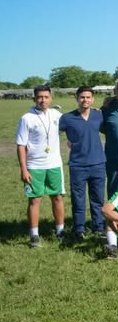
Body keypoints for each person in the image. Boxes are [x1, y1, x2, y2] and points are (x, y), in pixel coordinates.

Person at [16, 85, 66, 247]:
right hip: (34, 166)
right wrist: (24, 168)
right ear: (34, 99)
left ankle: (60, 231)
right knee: (34, 200)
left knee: (57, 197)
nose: (43, 100)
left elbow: (74, 121)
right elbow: (21, 145)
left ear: (51, 98)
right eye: (39, 97)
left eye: (46, 97)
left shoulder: (56, 115)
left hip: (54, 165)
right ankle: (34, 235)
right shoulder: (26, 118)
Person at [58, 86, 106, 241]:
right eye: (82, 97)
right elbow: (51, 131)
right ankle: (79, 228)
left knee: (97, 199)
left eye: (88, 97)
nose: (85, 100)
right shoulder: (67, 118)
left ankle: (98, 226)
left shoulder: (99, 115)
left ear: (93, 99)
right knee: (78, 199)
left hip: (98, 163)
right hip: (77, 165)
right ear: (76, 98)